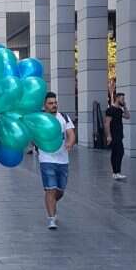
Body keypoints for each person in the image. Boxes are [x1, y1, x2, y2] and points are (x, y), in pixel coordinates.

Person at [38, 91, 76, 230]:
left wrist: (70, 143)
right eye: (50, 103)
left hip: (63, 160)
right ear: (45, 105)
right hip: (46, 158)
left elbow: (71, 134)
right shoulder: (40, 119)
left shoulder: (64, 117)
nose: (54, 105)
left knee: (60, 191)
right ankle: (51, 219)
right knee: (51, 189)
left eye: (55, 103)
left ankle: (52, 202)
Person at [105, 91, 130, 181]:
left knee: (116, 153)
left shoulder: (119, 110)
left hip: (119, 134)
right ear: (117, 98)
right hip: (113, 135)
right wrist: (108, 136)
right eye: (122, 99)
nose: (123, 100)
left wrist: (125, 106)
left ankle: (116, 173)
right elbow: (107, 123)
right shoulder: (110, 110)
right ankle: (116, 172)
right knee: (119, 152)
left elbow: (127, 116)